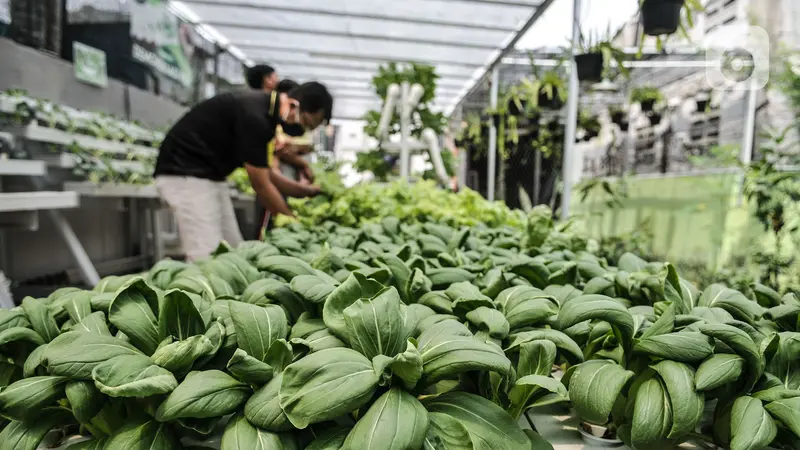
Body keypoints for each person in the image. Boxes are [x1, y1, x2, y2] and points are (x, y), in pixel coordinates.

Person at [154, 82, 333, 261]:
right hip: (184, 175)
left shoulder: (265, 115)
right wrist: (290, 219)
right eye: (306, 123)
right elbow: (261, 184)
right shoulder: (255, 115)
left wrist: (304, 191)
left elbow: (266, 172)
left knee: (233, 250)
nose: (302, 130)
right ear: (295, 105)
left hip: (209, 177)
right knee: (206, 253)